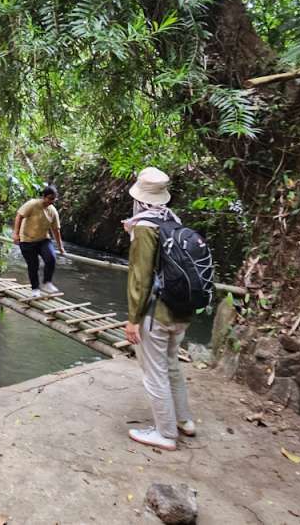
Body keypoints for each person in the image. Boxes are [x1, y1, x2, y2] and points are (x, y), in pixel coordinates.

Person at [122, 167, 196, 451]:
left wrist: (132, 320)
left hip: (157, 314)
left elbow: (140, 278)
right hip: (182, 311)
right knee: (171, 366)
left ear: (140, 198)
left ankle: (165, 434)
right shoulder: (173, 222)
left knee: (154, 374)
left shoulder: (144, 227)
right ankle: (184, 421)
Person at [12, 185, 66, 297]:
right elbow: (19, 216)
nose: (52, 201)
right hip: (27, 240)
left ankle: (47, 282)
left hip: (43, 240)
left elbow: (56, 230)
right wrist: (16, 234)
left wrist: (60, 246)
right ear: (44, 197)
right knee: (33, 265)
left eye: (54, 199)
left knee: (51, 258)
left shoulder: (53, 211)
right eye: (50, 198)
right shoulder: (32, 204)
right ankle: (35, 289)